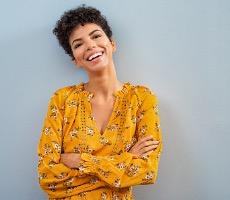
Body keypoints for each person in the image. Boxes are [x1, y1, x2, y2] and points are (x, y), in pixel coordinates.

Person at [37, 5, 162, 200]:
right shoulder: (62, 100)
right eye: (78, 44)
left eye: (96, 36)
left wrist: (80, 161)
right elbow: (47, 177)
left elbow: (147, 171)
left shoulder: (142, 99)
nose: (90, 45)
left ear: (111, 44)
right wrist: (123, 163)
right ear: (75, 60)